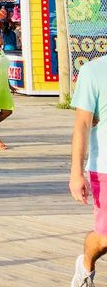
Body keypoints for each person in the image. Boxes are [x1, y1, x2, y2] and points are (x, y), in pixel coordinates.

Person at [69, 56, 107, 287]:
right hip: (104, 167)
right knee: (104, 238)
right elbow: (82, 125)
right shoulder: (93, 71)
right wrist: (76, 172)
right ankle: (85, 264)